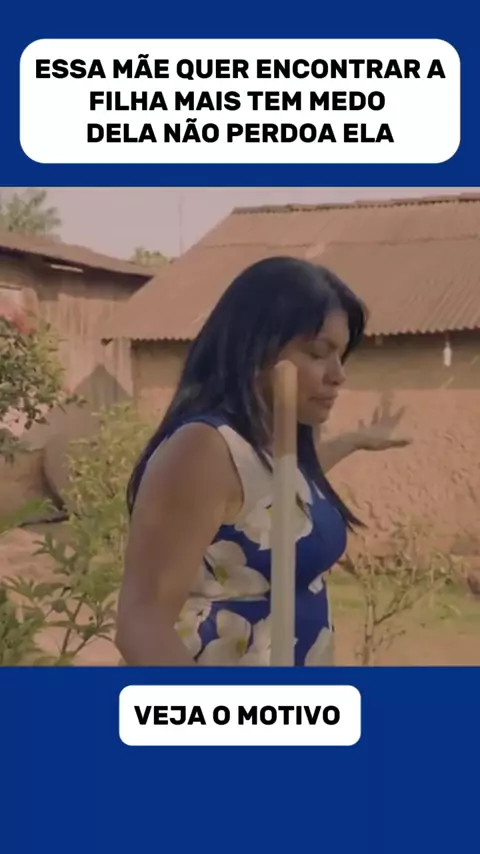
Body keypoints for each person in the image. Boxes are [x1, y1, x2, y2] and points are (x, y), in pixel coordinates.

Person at [116, 256, 410, 667]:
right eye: (318, 352)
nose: (338, 374)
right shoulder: (203, 448)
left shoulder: (273, 448)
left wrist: (355, 441)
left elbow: (272, 494)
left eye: (342, 356)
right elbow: (141, 620)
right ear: (254, 349)